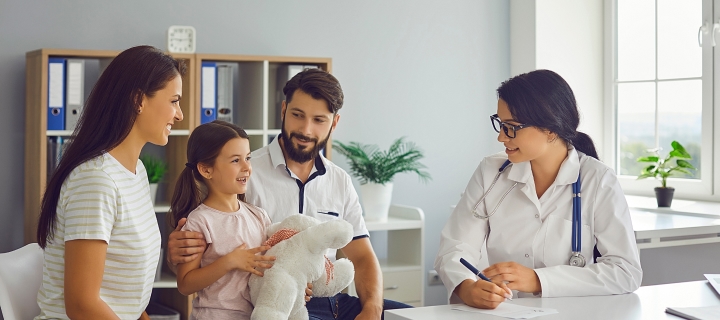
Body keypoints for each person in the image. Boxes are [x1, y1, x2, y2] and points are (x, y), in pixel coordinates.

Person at [167, 68, 411, 319]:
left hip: (334, 301)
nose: (305, 130)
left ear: (334, 123)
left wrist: (372, 308)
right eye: (297, 115)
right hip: (278, 302)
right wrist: (175, 252)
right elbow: (202, 250)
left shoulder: (339, 180)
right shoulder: (244, 175)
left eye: (319, 120)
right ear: (283, 110)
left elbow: (362, 258)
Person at [434, 69, 642, 309]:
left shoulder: (598, 180)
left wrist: (538, 280)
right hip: (502, 313)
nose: (502, 137)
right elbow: (455, 246)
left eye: (511, 127)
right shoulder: (491, 172)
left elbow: (625, 271)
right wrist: (466, 286)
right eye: (500, 124)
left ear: (551, 129)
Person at [35, 45, 185, 319]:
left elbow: (126, 296)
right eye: (174, 101)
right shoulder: (96, 181)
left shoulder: (135, 171)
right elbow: (81, 305)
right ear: (139, 100)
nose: (180, 114)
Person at [170, 121, 276, 319]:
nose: (247, 167)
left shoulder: (259, 216)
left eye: (248, 158)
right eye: (236, 160)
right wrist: (229, 262)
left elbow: (271, 264)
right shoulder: (199, 222)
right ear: (206, 170)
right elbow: (185, 284)